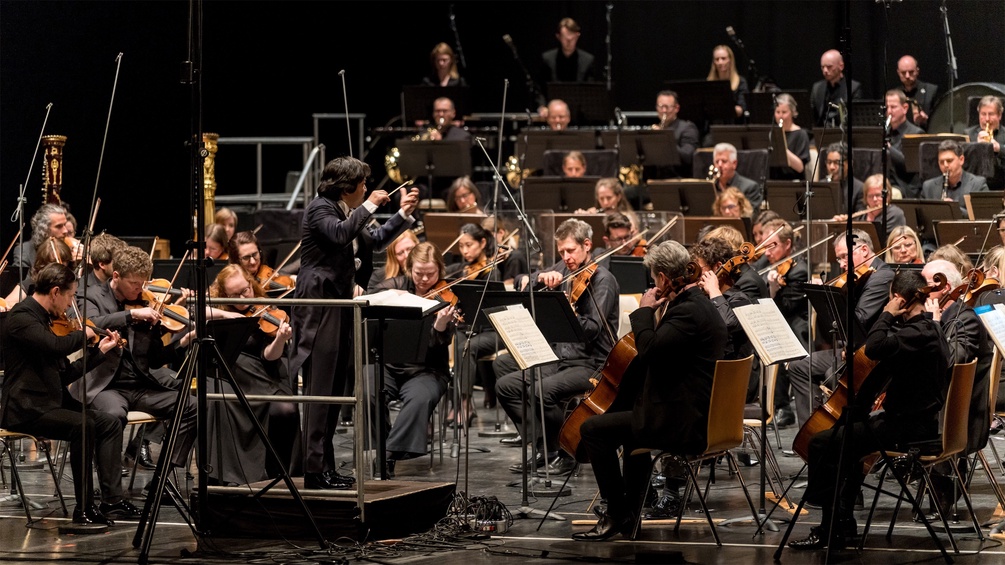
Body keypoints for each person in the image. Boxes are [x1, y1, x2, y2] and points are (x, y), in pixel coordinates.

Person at [573, 240, 726, 540]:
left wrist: (644, 312)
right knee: (631, 433)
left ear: (665, 279)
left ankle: (617, 512)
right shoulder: (700, 305)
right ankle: (631, 517)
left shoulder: (687, 313)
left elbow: (650, 352)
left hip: (682, 422)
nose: (654, 284)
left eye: (656, 277)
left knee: (593, 429)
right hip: (693, 412)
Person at [789, 269, 951, 551]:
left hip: (905, 428)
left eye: (891, 298)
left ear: (899, 299)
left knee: (822, 443)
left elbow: (874, 347)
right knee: (848, 442)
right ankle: (842, 520)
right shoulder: (930, 329)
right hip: (919, 422)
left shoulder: (915, 334)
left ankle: (830, 528)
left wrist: (887, 314)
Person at [289, 156, 419, 490]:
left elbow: (374, 240)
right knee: (321, 385)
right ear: (347, 186)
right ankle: (314, 470)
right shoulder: (321, 209)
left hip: (339, 302)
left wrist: (402, 213)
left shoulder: (347, 211)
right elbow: (337, 236)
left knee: (335, 385)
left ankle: (325, 467)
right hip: (320, 304)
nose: (366, 188)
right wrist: (370, 205)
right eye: (362, 184)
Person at [0, 263, 131, 525]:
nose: (71, 304)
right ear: (56, 291)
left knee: (108, 423)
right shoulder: (22, 318)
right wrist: (84, 334)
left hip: (49, 403)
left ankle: (112, 502)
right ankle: (83, 509)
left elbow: (65, 374)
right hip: (25, 408)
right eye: (71, 296)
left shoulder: (45, 319)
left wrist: (99, 352)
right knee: (83, 425)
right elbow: (55, 346)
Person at [494, 218, 620, 478]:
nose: (565, 257)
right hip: (560, 357)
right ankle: (545, 448)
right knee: (506, 386)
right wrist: (538, 277)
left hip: (592, 362)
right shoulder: (564, 268)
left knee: (542, 391)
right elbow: (521, 279)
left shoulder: (602, 281)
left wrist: (566, 310)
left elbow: (593, 329)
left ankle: (567, 452)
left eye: (570, 251)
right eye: (561, 251)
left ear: (587, 245)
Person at [76, 245, 199, 486]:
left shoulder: (146, 302)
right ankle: (112, 496)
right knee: (113, 415)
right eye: (134, 283)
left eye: (143, 283)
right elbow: (90, 324)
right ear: (116, 276)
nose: (140, 289)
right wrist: (132, 316)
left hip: (141, 385)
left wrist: (180, 342)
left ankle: (161, 481)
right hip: (106, 386)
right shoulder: (92, 295)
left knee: (192, 406)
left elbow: (153, 360)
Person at [785, 230, 895, 429]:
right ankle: (811, 431)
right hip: (851, 350)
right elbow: (835, 326)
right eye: (838, 258)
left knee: (831, 372)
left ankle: (836, 435)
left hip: (870, 355)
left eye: (845, 256)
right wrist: (822, 295)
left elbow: (859, 319)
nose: (842, 264)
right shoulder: (855, 277)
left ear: (863, 250)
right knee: (799, 367)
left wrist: (831, 298)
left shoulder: (882, 276)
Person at [206, 265, 300, 485]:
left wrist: (279, 339)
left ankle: (283, 473)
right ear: (224, 295)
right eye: (235, 295)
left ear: (251, 283)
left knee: (286, 409)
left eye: (246, 290)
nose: (243, 297)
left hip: (265, 375)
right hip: (235, 378)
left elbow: (269, 356)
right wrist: (227, 314)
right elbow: (197, 313)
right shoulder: (220, 309)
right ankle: (237, 475)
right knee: (224, 405)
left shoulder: (266, 308)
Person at [371, 242, 457, 476]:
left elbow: (443, 340)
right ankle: (381, 444)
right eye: (419, 273)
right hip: (389, 365)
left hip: (427, 371)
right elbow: (369, 298)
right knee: (367, 392)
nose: (425, 279)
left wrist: (440, 326)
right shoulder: (397, 285)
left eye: (431, 273)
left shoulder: (447, 297)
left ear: (440, 270)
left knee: (421, 398)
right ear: (409, 268)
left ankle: (388, 455)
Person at [536, 17, 596, 113]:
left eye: (572, 37)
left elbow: (589, 92)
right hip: (554, 114)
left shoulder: (587, 60)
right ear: (558, 36)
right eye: (565, 37)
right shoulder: (548, 59)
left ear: (577, 36)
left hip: (579, 114)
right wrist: (542, 106)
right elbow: (540, 88)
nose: (569, 41)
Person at [920, 139, 989, 215]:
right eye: (941, 162)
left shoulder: (978, 185)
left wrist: (955, 209)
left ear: (961, 160)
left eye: (949, 161)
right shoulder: (928, 187)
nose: (945, 165)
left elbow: (984, 216)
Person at [4, 236, 74, 308]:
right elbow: (8, 303)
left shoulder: (71, 287)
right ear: (42, 266)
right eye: (53, 264)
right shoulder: (30, 284)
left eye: (62, 265)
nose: (58, 271)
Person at [885, 88, 925, 197]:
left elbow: (909, 166)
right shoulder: (886, 133)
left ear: (905, 108)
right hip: (886, 183)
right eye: (887, 107)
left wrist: (888, 148)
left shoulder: (916, 133)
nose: (889, 111)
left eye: (893, 107)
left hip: (905, 186)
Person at [10, 203, 73, 272]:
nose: (65, 231)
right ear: (43, 229)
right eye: (58, 226)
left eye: (64, 225)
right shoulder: (24, 251)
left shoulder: (69, 247)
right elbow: (23, 281)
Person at [651, 90, 700, 178]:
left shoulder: (687, 128)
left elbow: (687, 157)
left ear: (676, 108)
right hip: (654, 180)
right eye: (660, 106)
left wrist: (664, 138)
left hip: (678, 180)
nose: (664, 110)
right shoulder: (654, 129)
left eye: (667, 107)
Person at [831, 173, 906, 230]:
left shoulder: (895, 214)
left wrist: (871, 220)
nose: (874, 199)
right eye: (870, 196)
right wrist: (842, 224)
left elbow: (880, 240)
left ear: (888, 196)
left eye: (878, 195)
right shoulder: (861, 215)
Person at [810, 49, 863, 127]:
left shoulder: (853, 88)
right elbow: (813, 117)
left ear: (841, 66)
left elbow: (855, 118)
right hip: (822, 133)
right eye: (822, 67)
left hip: (843, 133)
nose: (825, 70)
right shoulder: (817, 88)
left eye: (829, 67)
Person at [965, 95, 1005, 190]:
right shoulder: (968, 134)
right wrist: (976, 147)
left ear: (999, 115)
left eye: (991, 114)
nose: (987, 119)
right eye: (983, 114)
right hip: (974, 187)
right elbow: (964, 164)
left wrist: (998, 148)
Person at [769, 93, 810, 181]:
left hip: (793, 180)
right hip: (773, 180)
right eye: (777, 112)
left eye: (784, 112)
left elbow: (800, 167)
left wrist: (781, 147)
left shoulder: (801, 134)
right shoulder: (771, 133)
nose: (780, 116)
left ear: (792, 113)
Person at [711, 142, 763, 211]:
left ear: (734, 164)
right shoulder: (710, 186)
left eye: (724, 161)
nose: (719, 165)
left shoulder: (750, 188)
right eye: (717, 162)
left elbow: (751, 216)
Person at [896, 55, 938, 131]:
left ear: (917, 71)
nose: (907, 76)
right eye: (903, 73)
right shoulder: (895, 95)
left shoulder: (931, 90)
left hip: (926, 135)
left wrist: (926, 120)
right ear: (898, 73)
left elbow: (941, 121)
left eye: (911, 72)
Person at [706, 45, 749, 120]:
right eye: (717, 59)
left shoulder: (740, 82)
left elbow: (741, 109)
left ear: (730, 60)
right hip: (714, 125)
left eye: (723, 58)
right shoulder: (709, 83)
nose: (720, 62)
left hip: (734, 125)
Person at [823, 141, 865, 211]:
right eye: (829, 162)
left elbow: (859, 218)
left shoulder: (859, 189)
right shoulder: (821, 186)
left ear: (849, 163)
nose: (831, 167)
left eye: (837, 162)